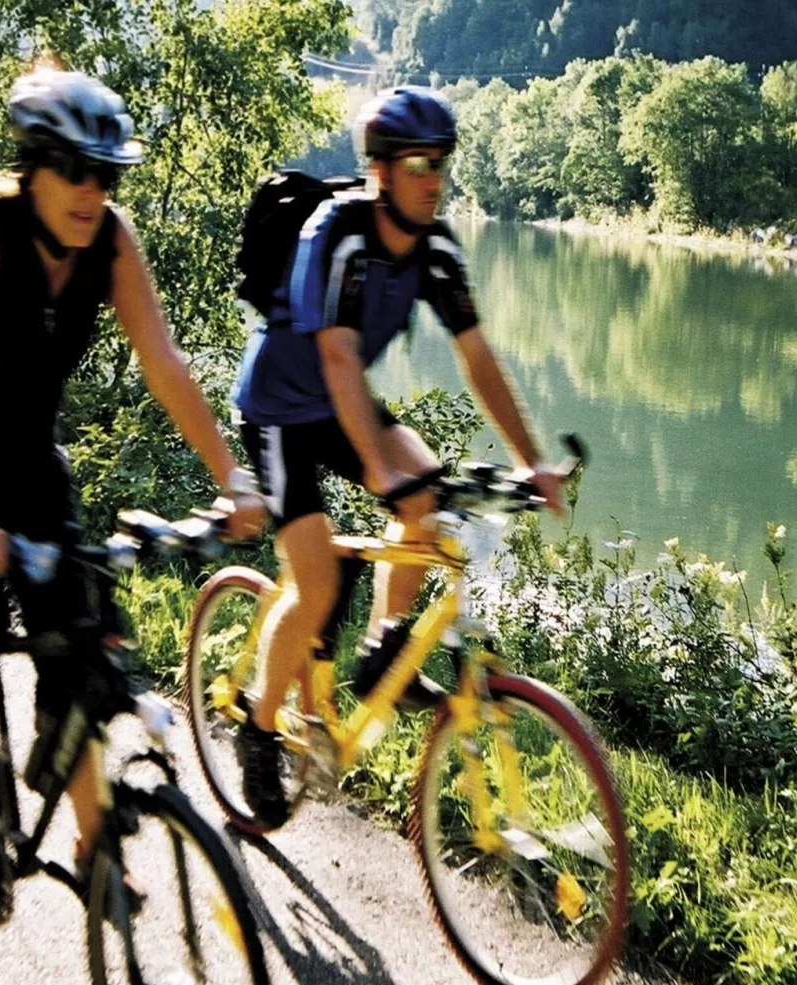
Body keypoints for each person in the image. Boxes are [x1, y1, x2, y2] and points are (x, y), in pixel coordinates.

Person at [0, 67, 266, 872]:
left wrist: (231, 479)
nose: (90, 191)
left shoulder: (110, 238)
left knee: (83, 632)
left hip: (27, 453)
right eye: (73, 169)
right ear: (32, 163)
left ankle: (93, 840)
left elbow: (165, 363)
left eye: (105, 173)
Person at [230, 86, 567, 828]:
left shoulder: (437, 247)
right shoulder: (337, 232)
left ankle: (383, 646)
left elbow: (476, 355)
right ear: (379, 169)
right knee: (315, 584)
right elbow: (340, 358)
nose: (433, 177)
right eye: (417, 162)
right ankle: (257, 728)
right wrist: (379, 467)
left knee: (427, 499)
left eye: (442, 161)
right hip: (282, 408)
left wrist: (533, 463)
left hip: (338, 406)